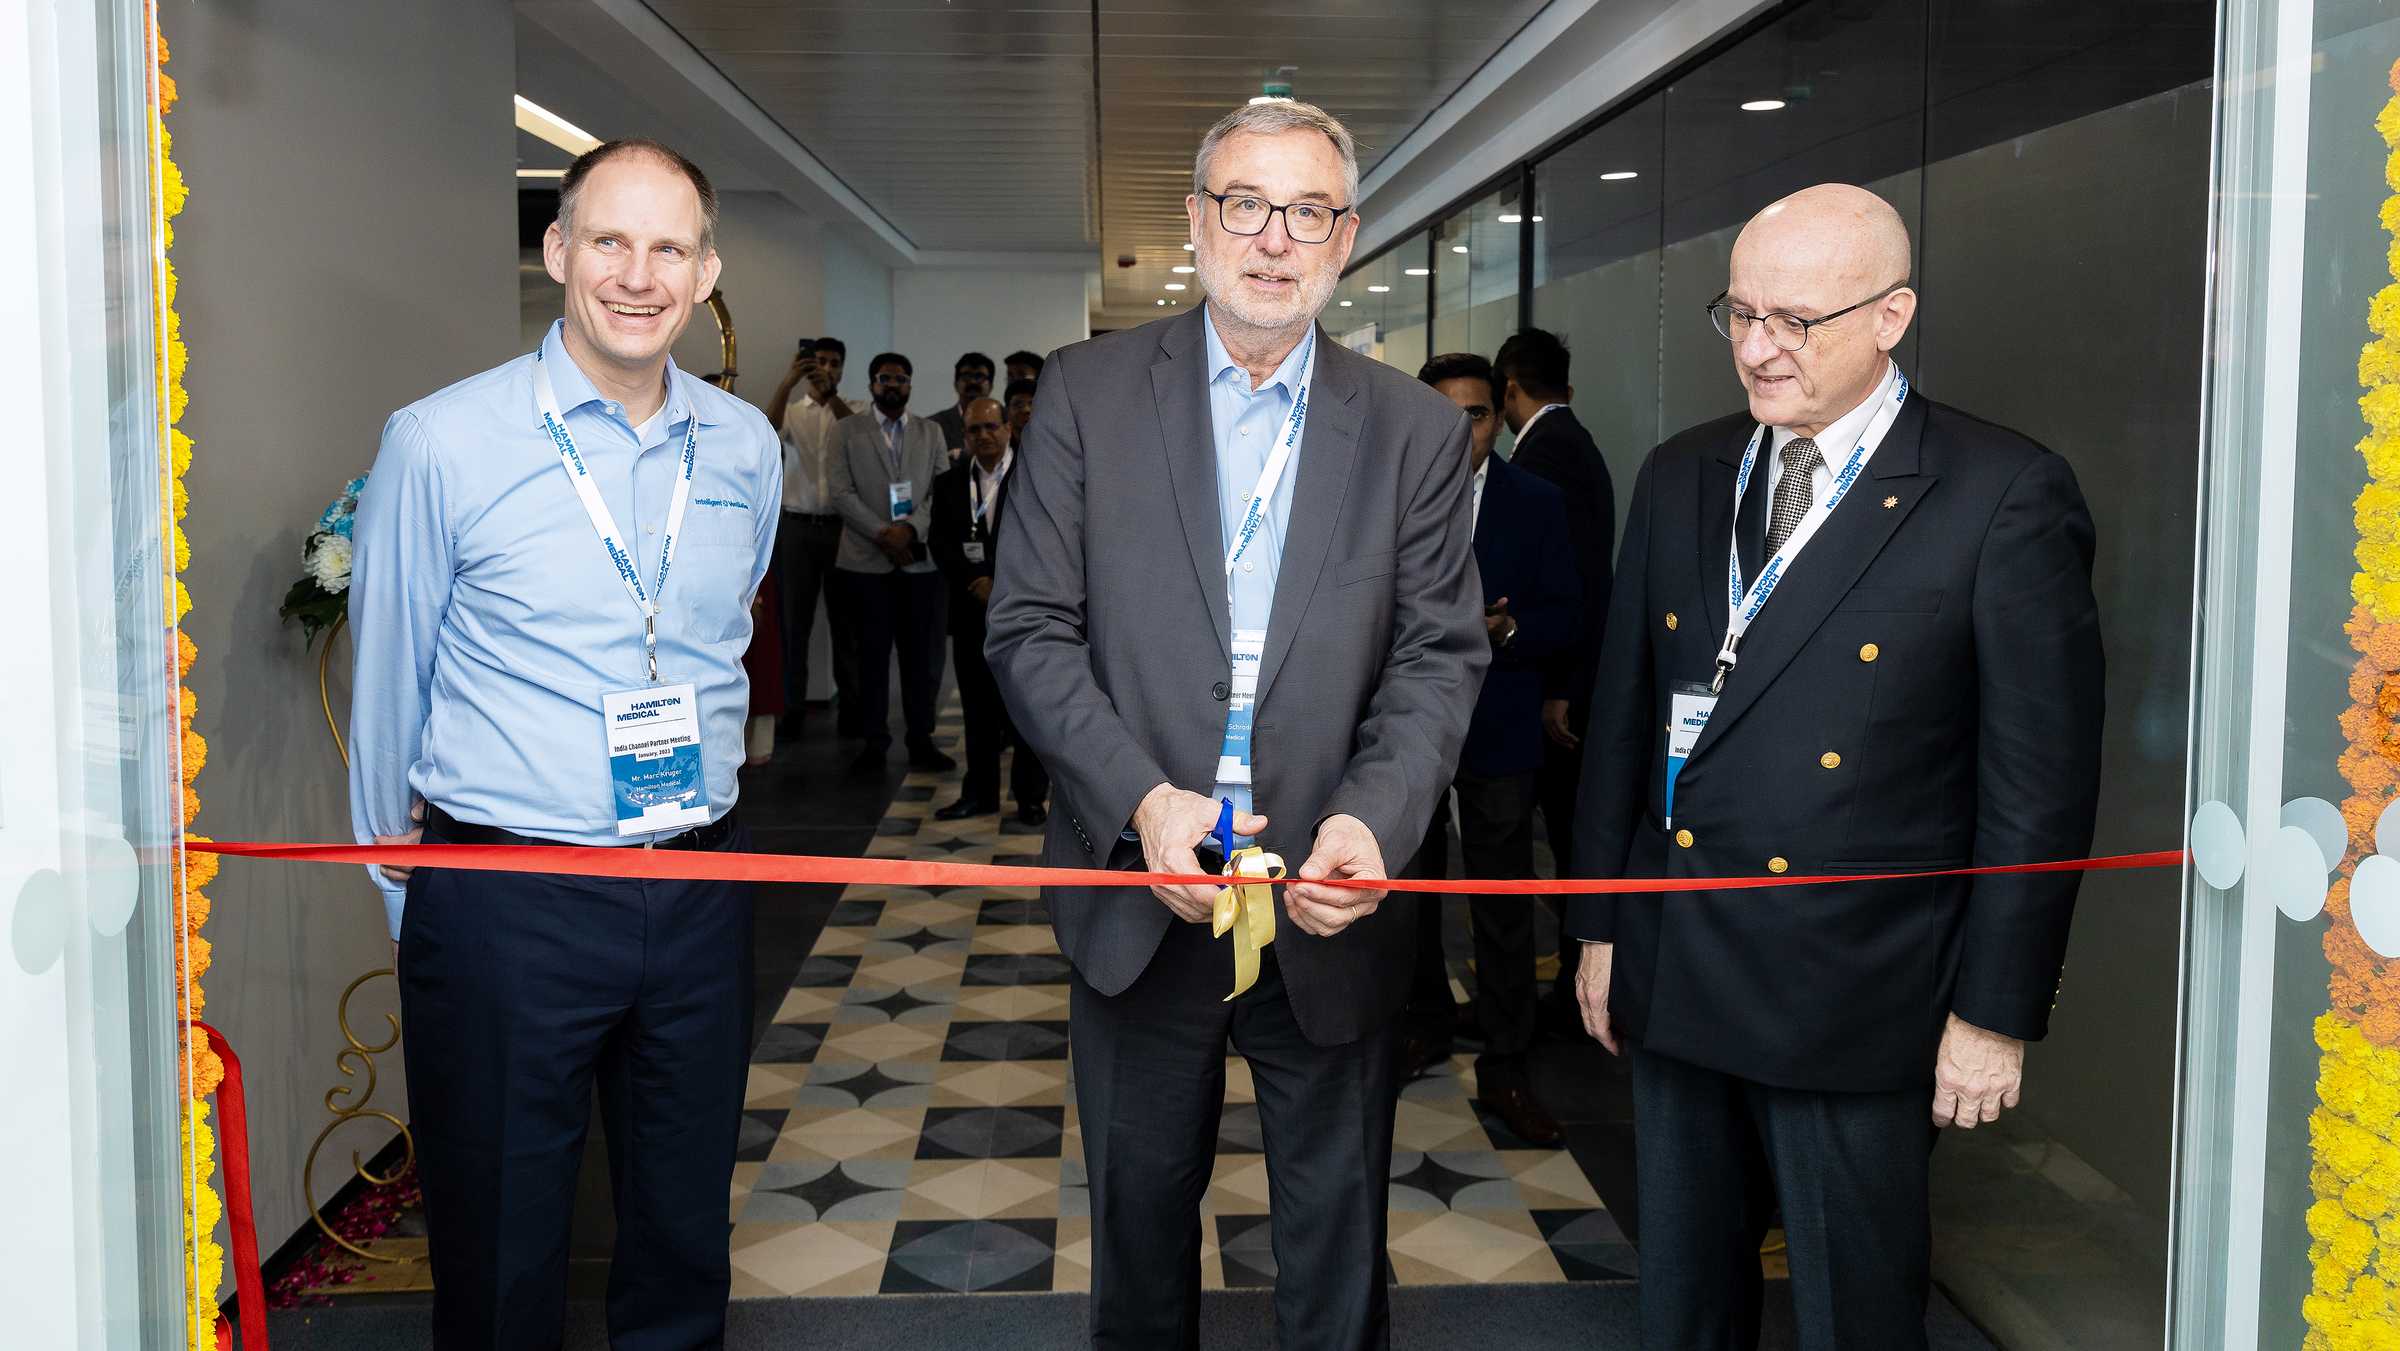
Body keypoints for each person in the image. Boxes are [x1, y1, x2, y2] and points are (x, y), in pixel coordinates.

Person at [1568, 183, 2104, 1350]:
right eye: (1741, 314)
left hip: (1859, 987)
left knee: (1856, 1310)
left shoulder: (1998, 492)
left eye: (1796, 321)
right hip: (1678, 951)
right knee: (1683, 1302)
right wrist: (1603, 926)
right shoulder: (1682, 472)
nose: (1758, 350)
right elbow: (1623, 721)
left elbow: (2038, 786)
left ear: (1892, 314)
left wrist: (1996, 1012)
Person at [987, 99, 1486, 1351]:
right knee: (1142, 1235)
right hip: (1140, 895)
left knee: (1337, 1241)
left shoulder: (1416, 431)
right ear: (1198, 222)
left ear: (1347, 235)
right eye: (1246, 205)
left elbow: (1438, 654)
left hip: (1332, 897)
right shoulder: (1092, 394)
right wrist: (1142, 804)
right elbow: (1030, 631)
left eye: (1308, 210)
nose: (1275, 238)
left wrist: (1374, 821)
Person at [348, 137, 776, 1350]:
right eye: (609, 241)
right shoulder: (443, 441)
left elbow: (720, 633)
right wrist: (412, 892)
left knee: (684, 1228)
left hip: (699, 880)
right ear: (557, 253)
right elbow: (389, 685)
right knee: (500, 1244)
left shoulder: (743, 446)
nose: (638, 276)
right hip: (505, 895)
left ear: (706, 274)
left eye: (669, 248)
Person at [1399, 353, 1578, 1147]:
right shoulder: (1384, 494)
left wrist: (1509, 629)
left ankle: (1507, 1059)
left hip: (1498, 723)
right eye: (1442, 412)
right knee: (1407, 891)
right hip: (1403, 727)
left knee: (1503, 902)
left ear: (1496, 417)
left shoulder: (1535, 501)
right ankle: (1424, 1021)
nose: (1460, 428)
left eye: (1474, 413)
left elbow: (1570, 614)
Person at [1492, 326, 1614, 1030]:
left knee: (1565, 835)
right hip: (1565, 676)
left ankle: (1574, 986)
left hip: (1560, 683)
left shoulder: (1549, 455)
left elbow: (1579, 586)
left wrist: (1564, 686)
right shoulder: (1573, 444)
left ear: (1510, 389)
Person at [828, 353, 955, 772]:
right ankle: (873, 743)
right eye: (885, 379)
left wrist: (910, 531)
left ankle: (922, 740)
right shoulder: (847, 430)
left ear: (911, 385)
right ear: (872, 385)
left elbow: (941, 490)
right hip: (866, 564)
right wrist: (883, 532)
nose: (893, 385)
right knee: (870, 659)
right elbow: (840, 492)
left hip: (920, 565)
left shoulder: (930, 431)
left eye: (901, 378)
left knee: (922, 661)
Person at [929, 397, 1049, 825]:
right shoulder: (949, 483)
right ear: (965, 436)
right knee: (977, 711)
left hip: (1025, 613)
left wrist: (1007, 585)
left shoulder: (1035, 476)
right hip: (972, 613)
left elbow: (1050, 539)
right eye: (974, 430)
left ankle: (1030, 798)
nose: (984, 436)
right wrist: (974, 579)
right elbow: (939, 541)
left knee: (1029, 710)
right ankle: (979, 794)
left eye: (991, 427)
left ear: (1008, 429)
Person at [766, 336, 862, 733]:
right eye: (819, 361)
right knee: (795, 623)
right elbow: (767, 431)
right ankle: (792, 709)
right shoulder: (793, 411)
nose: (825, 368)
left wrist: (832, 394)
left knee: (847, 625)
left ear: (841, 368)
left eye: (833, 362)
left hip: (842, 529)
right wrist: (788, 382)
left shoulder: (853, 410)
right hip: (798, 526)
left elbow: (859, 439)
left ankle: (854, 711)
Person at [928, 350, 996, 457]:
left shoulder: (1004, 423)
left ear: (991, 386)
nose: (973, 382)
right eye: (966, 376)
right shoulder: (934, 426)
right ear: (956, 384)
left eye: (979, 377)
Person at [1002, 376, 1038, 451]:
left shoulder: (1053, 443)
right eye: (1018, 405)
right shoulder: (1000, 447)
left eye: (1033, 403)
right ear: (1007, 411)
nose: (1026, 410)